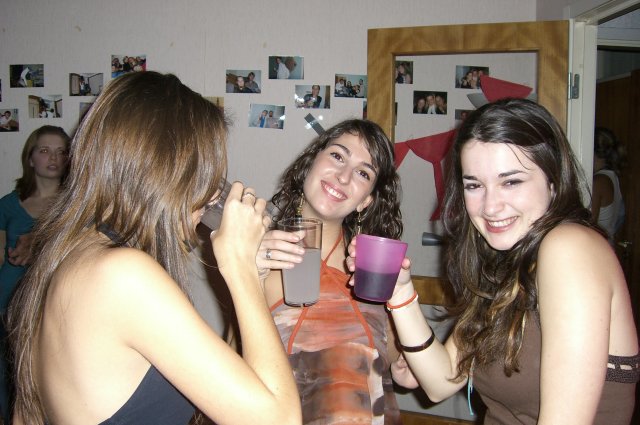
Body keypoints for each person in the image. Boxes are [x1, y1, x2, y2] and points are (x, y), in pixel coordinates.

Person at [6, 71, 301, 425]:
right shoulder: (123, 275)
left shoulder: (72, 252)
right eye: (205, 175)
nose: (212, 195)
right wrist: (241, 272)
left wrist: (252, 274)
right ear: (164, 171)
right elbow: (280, 420)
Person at [356, 98, 638, 425]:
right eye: (474, 185)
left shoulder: (571, 247)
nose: (490, 206)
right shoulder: (506, 267)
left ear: (552, 179)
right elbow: (440, 381)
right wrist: (400, 292)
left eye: (511, 181)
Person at [256, 119, 404, 424]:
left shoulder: (374, 267)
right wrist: (247, 272)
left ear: (366, 201)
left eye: (363, 173)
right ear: (311, 163)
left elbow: (392, 359)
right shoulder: (260, 257)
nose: (343, 176)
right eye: (337, 156)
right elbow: (236, 364)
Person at [0, 125, 70, 424]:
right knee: (11, 376)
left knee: (49, 378)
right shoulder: (7, 204)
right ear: (30, 158)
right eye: (44, 150)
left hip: (51, 302)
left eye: (61, 152)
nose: (53, 158)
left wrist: (38, 243)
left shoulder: (74, 206)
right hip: (8, 301)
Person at [591, 127, 625, 244]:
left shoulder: (599, 181)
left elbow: (588, 225)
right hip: (607, 245)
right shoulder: (613, 177)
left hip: (597, 247)